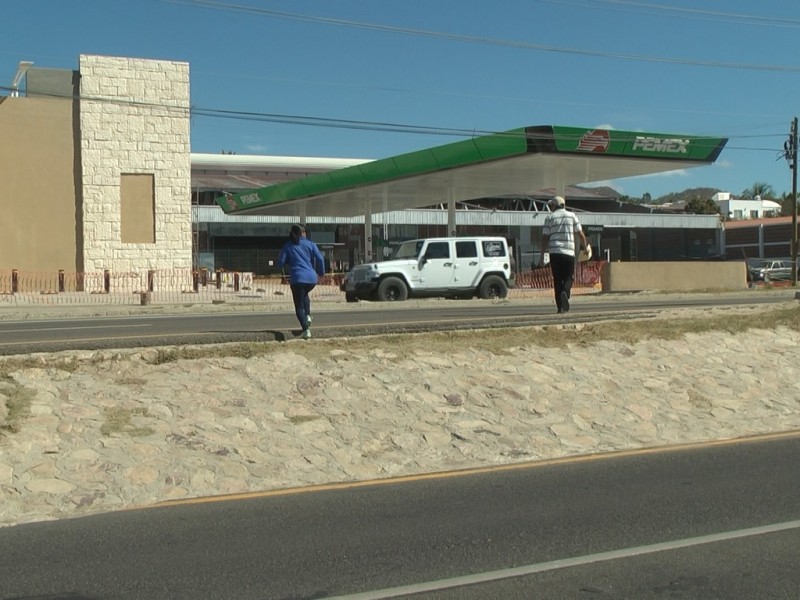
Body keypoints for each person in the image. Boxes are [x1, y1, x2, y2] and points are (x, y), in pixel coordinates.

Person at [539, 195, 588, 314]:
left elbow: (545, 237)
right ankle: (565, 292)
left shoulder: (549, 218)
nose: (550, 207)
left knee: (557, 280)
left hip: (555, 253)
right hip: (569, 252)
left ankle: (560, 307)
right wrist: (585, 247)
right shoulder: (572, 216)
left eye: (551, 205)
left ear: (555, 206)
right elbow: (580, 234)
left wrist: (542, 255)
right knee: (569, 277)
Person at [277, 224, 326, 339]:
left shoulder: (288, 246)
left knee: (299, 307)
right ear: (304, 233)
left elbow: (281, 262)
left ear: (292, 233)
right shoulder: (310, 244)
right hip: (311, 279)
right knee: (304, 294)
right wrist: (321, 273)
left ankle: (305, 330)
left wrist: (288, 262)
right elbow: (320, 258)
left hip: (297, 278)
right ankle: (308, 316)